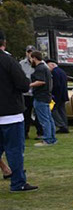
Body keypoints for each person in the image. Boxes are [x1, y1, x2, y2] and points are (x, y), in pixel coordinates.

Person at [0, 30, 38, 192]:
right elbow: (23, 84)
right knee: (14, 151)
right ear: (4, 42)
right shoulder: (8, 61)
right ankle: (18, 182)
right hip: (10, 114)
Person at [29, 51, 57, 146]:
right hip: (46, 96)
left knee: (44, 120)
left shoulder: (39, 68)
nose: (30, 60)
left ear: (34, 58)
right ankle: (52, 138)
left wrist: (29, 85)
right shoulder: (45, 68)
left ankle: (47, 140)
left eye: (31, 58)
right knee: (49, 119)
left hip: (41, 97)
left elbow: (41, 81)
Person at [20, 45, 42, 139]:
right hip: (25, 93)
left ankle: (40, 133)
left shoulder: (40, 64)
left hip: (36, 92)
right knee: (26, 114)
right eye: (28, 52)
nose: (30, 54)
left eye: (31, 52)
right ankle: (25, 133)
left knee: (38, 114)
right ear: (26, 53)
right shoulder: (21, 64)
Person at [46, 59, 69, 133]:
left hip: (57, 95)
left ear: (52, 65)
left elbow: (56, 85)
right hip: (63, 94)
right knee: (62, 110)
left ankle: (61, 125)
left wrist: (53, 94)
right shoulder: (62, 71)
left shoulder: (54, 72)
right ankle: (65, 125)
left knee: (53, 110)